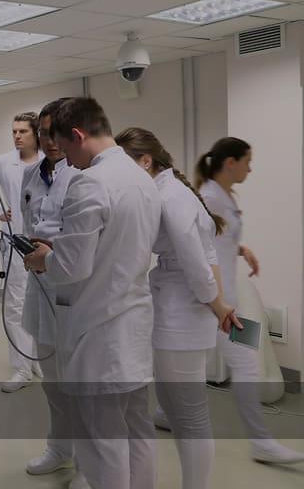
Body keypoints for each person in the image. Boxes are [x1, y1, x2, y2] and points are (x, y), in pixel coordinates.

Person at [23, 97, 160, 489]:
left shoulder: (91, 181)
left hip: (100, 331)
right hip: (133, 325)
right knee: (137, 432)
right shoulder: (140, 176)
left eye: (65, 146)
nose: (65, 156)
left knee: (103, 443)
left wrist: (44, 258)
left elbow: (71, 267)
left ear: (78, 135)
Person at [116, 127, 241, 489]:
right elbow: (208, 254)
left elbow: (197, 264)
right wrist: (219, 303)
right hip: (179, 308)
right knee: (173, 410)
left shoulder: (172, 197)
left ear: (146, 161)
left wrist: (218, 304)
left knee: (191, 417)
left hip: (181, 314)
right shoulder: (167, 192)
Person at [192, 137, 304, 464]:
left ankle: (261, 443)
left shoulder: (224, 195)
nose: (250, 169)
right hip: (215, 304)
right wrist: (216, 303)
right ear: (231, 163)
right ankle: (262, 443)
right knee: (239, 364)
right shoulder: (209, 198)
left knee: (237, 363)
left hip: (229, 302)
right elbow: (196, 247)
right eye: (247, 162)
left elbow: (219, 238)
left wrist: (242, 249)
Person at [20, 99, 83, 482]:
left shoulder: (82, 175)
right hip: (39, 285)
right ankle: (60, 449)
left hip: (71, 290)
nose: (49, 140)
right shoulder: (31, 175)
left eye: (55, 133)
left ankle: (88, 462)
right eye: (43, 133)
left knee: (77, 381)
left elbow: (85, 238)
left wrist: (51, 248)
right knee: (52, 382)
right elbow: (30, 223)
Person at [0, 112, 44, 392]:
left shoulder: (50, 162)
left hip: (45, 245)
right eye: (14, 131)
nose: (16, 136)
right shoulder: (3, 162)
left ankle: (37, 359)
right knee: (15, 307)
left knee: (44, 305)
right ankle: (21, 368)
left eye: (22, 131)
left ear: (36, 133)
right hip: (16, 244)